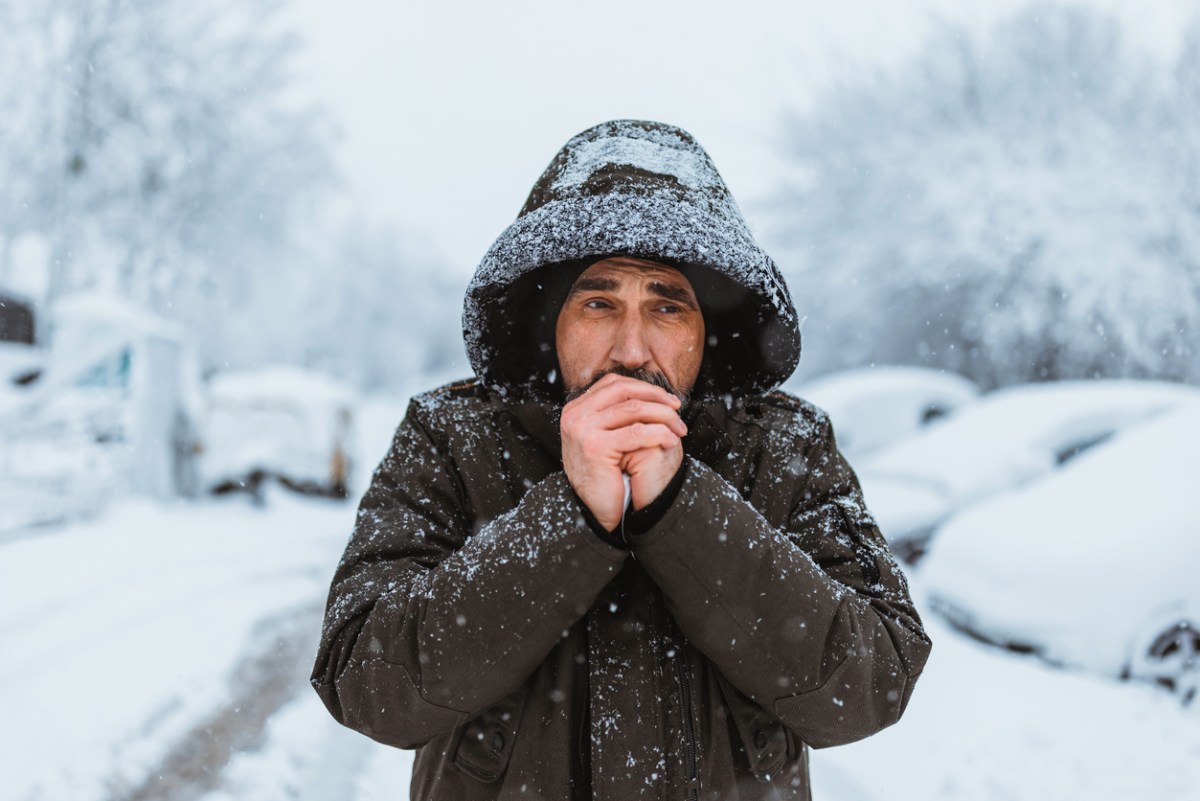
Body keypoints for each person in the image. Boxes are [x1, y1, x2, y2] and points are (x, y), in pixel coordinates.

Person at [312, 119, 931, 800]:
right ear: (549, 322)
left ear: (708, 333)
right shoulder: (452, 437)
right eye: (599, 302)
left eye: (668, 306)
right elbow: (368, 684)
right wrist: (571, 517)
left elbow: (872, 682)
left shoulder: (785, 447)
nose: (632, 349)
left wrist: (680, 506)